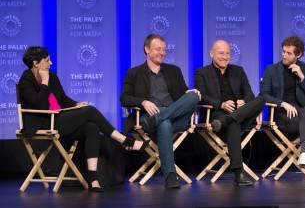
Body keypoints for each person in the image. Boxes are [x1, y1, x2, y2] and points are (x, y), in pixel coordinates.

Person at [17, 46, 146, 192]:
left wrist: (76, 104)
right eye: (47, 60)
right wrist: (45, 83)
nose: (50, 63)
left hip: (58, 118)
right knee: (90, 111)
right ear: (36, 63)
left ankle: (93, 178)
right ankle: (124, 140)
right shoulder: (26, 81)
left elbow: (63, 99)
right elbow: (40, 104)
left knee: (92, 127)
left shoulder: (52, 77)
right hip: (44, 123)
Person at [120, 34, 200, 189]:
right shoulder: (134, 73)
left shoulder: (174, 71)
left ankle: (160, 118)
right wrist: (143, 102)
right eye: (158, 49)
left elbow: (184, 94)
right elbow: (124, 98)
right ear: (147, 50)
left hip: (176, 118)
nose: (162, 52)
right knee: (165, 124)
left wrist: (191, 93)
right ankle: (170, 175)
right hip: (147, 117)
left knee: (193, 96)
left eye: (164, 49)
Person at [193, 39, 265, 186]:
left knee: (262, 98)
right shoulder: (201, 73)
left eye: (227, 53)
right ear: (211, 54)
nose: (225, 57)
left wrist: (243, 101)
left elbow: (250, 94)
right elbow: (200, 96)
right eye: (221, 53)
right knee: (233, 124)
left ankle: (229, 119)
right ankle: (239, 173)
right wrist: (221, 104)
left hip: (237, 116)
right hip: (217, 115)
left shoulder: (238, 71)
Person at [260, 36, 305, 184]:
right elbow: (263, 95)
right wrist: (282, 103)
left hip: (303, 116)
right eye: (283, 52)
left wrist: (302, 77)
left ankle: (304, 154)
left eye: (289, 53)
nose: (284, 55)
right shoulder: (271, 70)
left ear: (299, 55)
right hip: (283, 117)